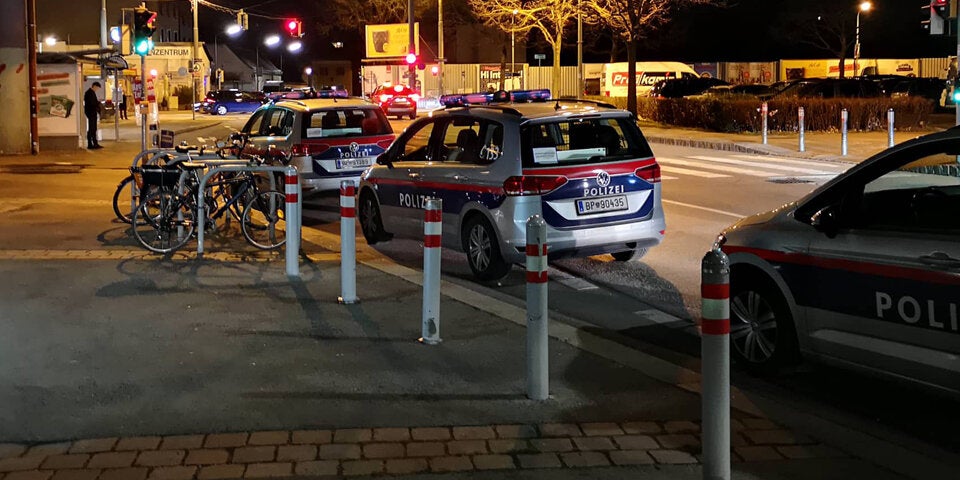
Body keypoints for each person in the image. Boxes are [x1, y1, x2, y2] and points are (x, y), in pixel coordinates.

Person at [84, 82, 103, 149]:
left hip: (91, 112)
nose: (97, 89)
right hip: (91, 113)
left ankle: (94, 143)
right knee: (92, 128)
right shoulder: (89, 93)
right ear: (94, 86)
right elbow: (92, 103)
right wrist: (98, 103)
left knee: (93, 128)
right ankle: (91, 144)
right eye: (97, 88)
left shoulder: (90, 92)